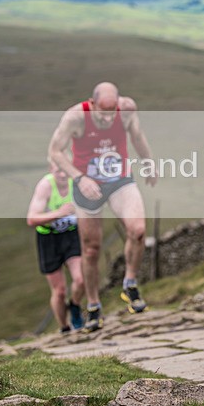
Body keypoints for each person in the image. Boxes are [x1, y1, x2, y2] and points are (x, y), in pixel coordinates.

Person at [48, 82, 157, 333]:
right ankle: (94, 305)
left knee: (138, 230)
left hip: (119, 179)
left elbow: (137, 136)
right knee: (91, 249)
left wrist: (149, 162)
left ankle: (129, 283)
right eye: (103, 113)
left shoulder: (127, 110)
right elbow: (55, 151)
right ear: (92, 104)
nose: (108, 119)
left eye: (112, 112)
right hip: (86, 184)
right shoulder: (76, 117)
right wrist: (79, 178)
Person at [26, 163, 85, 333]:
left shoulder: (77, 182)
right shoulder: (45, 186)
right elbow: (31, 219)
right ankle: (64, 327)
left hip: (71, 235)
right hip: (48, 238)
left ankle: (74, 305)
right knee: (59, 291)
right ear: (51, 170)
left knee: (80, 279)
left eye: (65, 169)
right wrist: (59, 213)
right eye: (58, 169)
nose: (62, 173)